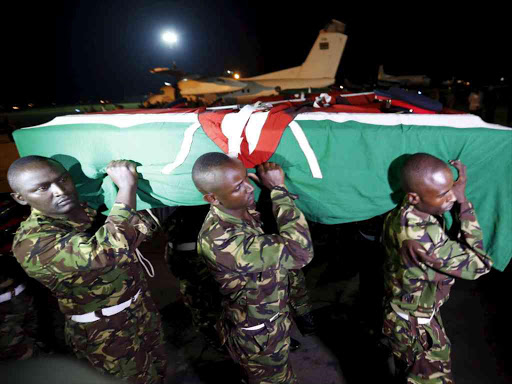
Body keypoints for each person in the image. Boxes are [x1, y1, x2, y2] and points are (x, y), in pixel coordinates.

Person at [8, 156, 168, 384]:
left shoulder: (84, 210)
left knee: (158, 371)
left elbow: (138, 230)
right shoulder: (32, 243)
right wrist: (126, 187)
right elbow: (111, 249)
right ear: (20, 198)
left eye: (62, 179)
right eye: (42, 188)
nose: (59, 190)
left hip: (139, 308)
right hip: (104, 332)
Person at [192, 153, 314, 384]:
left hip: (269, 320)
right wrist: (278, 189)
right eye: (238, 186)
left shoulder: (237, 212)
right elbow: (300, 252)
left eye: (246, 179)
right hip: (258, 335)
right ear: (212, 198)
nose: (249, 188)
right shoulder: (224, 240)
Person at [381, 153, 493, 383]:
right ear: (413, 197)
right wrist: (463, 204)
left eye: (451, 188)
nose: (451, 196)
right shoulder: (423, 239)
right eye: (443, 194)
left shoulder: (404, 211)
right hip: (417, 328)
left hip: (405, 314)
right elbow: (481, 264)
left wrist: (446, 191)